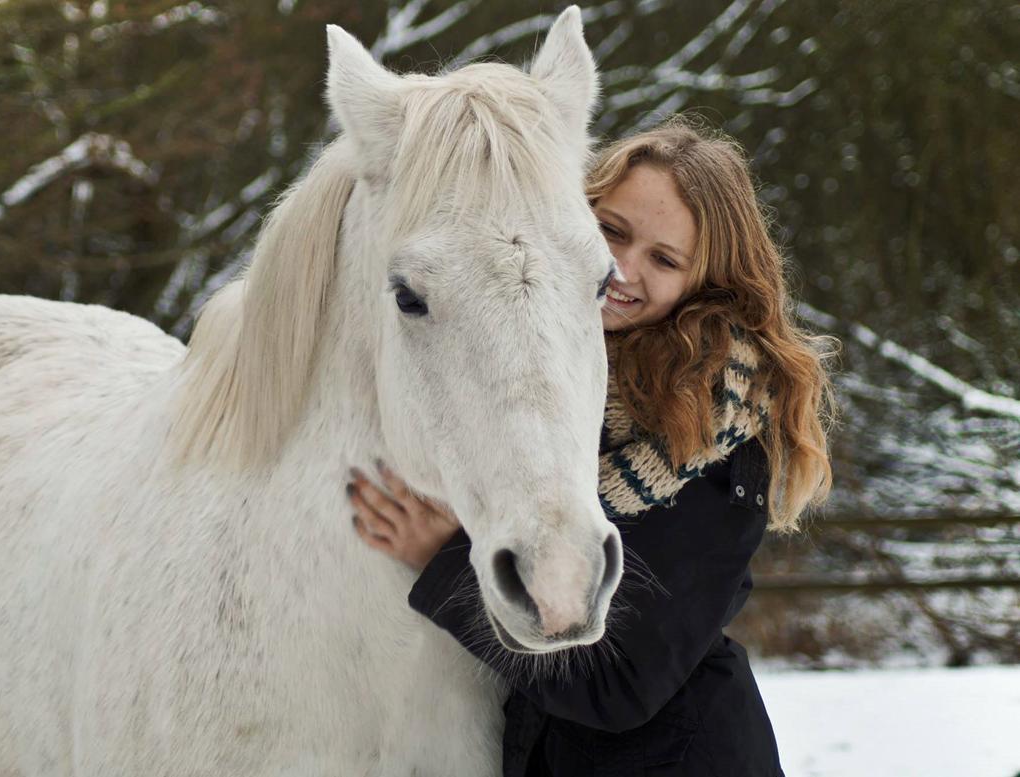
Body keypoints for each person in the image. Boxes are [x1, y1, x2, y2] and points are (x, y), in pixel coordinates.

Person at [348, 116, 834, 777]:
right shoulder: (546, 372)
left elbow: (621, 683)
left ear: (707, 281)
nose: (621, 269)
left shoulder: (718, 422)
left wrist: (444, 562)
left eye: (664, 259)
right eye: (613, 230)